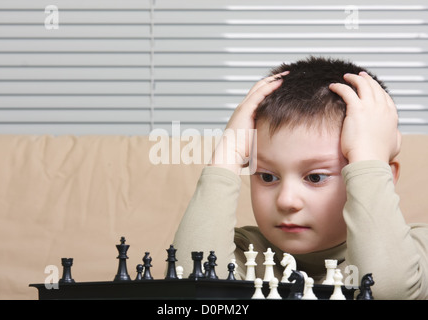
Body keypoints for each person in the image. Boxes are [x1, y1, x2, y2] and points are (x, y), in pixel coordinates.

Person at [172, 56, 428, 299]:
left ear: (383, 177)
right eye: (268, 177)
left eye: (315, 177)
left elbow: (385, 292)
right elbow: (189, 287)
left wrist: (370, 159)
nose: (286, 201)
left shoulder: (414, 253)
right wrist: (228, 152)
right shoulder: (240, 251)